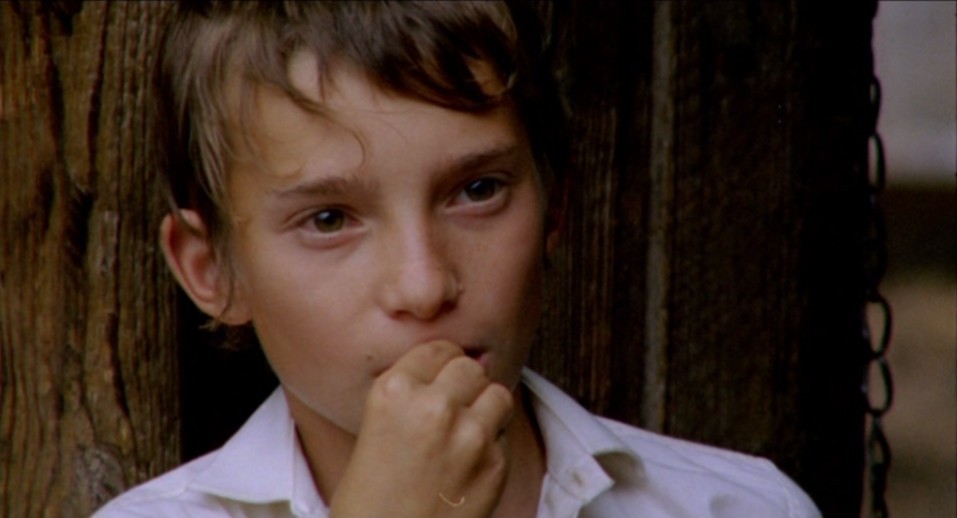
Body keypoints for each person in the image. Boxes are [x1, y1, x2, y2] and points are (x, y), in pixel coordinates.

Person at [94, 2, 822, 517]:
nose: (424, 285)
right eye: (328, 220)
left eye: (477, 191)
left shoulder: (741, 508)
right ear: (211, 271)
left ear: (554, 207)